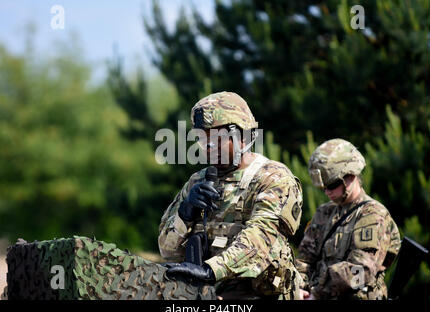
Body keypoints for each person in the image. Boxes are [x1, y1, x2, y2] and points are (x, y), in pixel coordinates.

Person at [158, 91, 304, 299]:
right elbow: (167, 250)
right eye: (202, 140)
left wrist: (211, 271)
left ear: (242, 138)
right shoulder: (197, 182)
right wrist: (184, 215)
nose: (208, 148)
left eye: (217, 139)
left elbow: (261, 238)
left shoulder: (273, 178)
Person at [296, 138, 401, 300]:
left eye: (331, 185)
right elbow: (305, 259)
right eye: (323, 187)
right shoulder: (324, 213)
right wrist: (300, 287)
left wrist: (318, 293)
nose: (326, 192)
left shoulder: (372, 215)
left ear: (350, 175)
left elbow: (360, 272)